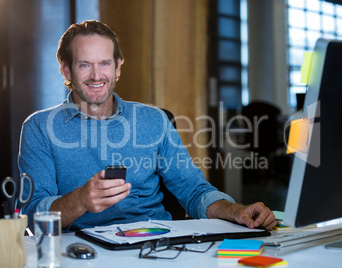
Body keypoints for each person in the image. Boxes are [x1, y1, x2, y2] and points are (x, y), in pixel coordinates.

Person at [18, 20, 276, 232]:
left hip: (155, 244)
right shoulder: (39, 128)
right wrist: (81, 200)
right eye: (85, 65)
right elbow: (32, 215)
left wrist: (237, 212)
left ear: (117, 67)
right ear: (66, 71)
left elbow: (193, 189)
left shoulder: (153, 120)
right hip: (81, 251)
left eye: (105, 63)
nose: (97, 75)